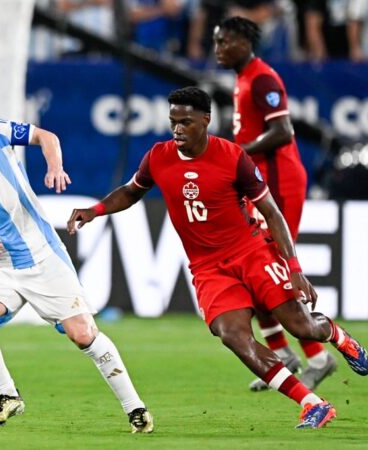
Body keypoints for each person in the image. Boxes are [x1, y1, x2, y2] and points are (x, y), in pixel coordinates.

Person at [67, 86, 368, 429]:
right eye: (172, 121)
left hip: (251, 252)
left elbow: (272, 213)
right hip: (208, 267)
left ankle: (338, 336)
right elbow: (132, 191)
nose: (177, 129)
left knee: (303, 327)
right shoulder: (158, 156)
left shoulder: (232, 157)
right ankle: (312, 403)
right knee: (232, 335)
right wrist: (95, 210)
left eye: (185, 122)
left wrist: (294, 268)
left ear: (206, 120)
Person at [0, 96, 153, 433]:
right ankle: (8, 396)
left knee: (83, 334)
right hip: (1, 265)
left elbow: (46, 137)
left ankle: (134, 408)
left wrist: (55, 166)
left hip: (42, 255)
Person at [213, 16, 337, 393]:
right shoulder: (243, 78)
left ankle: (318, 357)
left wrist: (237, 156)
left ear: (244, 43)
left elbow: (283, 131)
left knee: (269, 269)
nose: (218, 49)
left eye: (224, 42)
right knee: (254, 272)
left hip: (278, 183)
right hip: (260, 182)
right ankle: (284, 354)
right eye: (216, 42)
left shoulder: (263, 78)